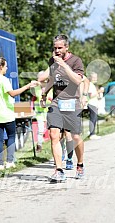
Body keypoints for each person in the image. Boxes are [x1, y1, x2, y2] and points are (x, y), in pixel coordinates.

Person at [42, 34, 88, 182]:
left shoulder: (76, 61)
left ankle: (80, 164)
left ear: (67, 47)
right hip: (56, 102)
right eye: (55, 48)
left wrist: (63, 64)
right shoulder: (52, 60)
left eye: (60, 48)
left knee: (75, 137)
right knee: (54, 135)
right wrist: (44, 93)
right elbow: (52, 79)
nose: (57, 50)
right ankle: (59, 170)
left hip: (71, 102)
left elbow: (77, 80)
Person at [0, 57, 35, 170]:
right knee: (11, 137)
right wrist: (27, 86)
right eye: (6, 66)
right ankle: (9, 161)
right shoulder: (4, 80)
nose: (7, 68)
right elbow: (12, 93)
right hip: (6, 113)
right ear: (1, 67)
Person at [31, 72, 53, 152]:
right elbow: (33, 98)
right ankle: (39, 145)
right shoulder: (36, 88)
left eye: (44, 80)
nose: (43, 82)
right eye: (41, 80)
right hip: (39, 112)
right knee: (40, 130)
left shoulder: (51, 88)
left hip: (50, 111)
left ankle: (54, 146)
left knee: (51, 130)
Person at [86, 72, 101, 140]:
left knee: (94, 119)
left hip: (94, 104)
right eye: (94, 77)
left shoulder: (92, 85)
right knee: (93, 119)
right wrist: (99, 91)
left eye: (96, 77)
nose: (96, 79)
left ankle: (92, 132)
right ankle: (92, 134)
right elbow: (90, 95)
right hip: (91, 104)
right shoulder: (90, 85)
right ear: (91, 78)